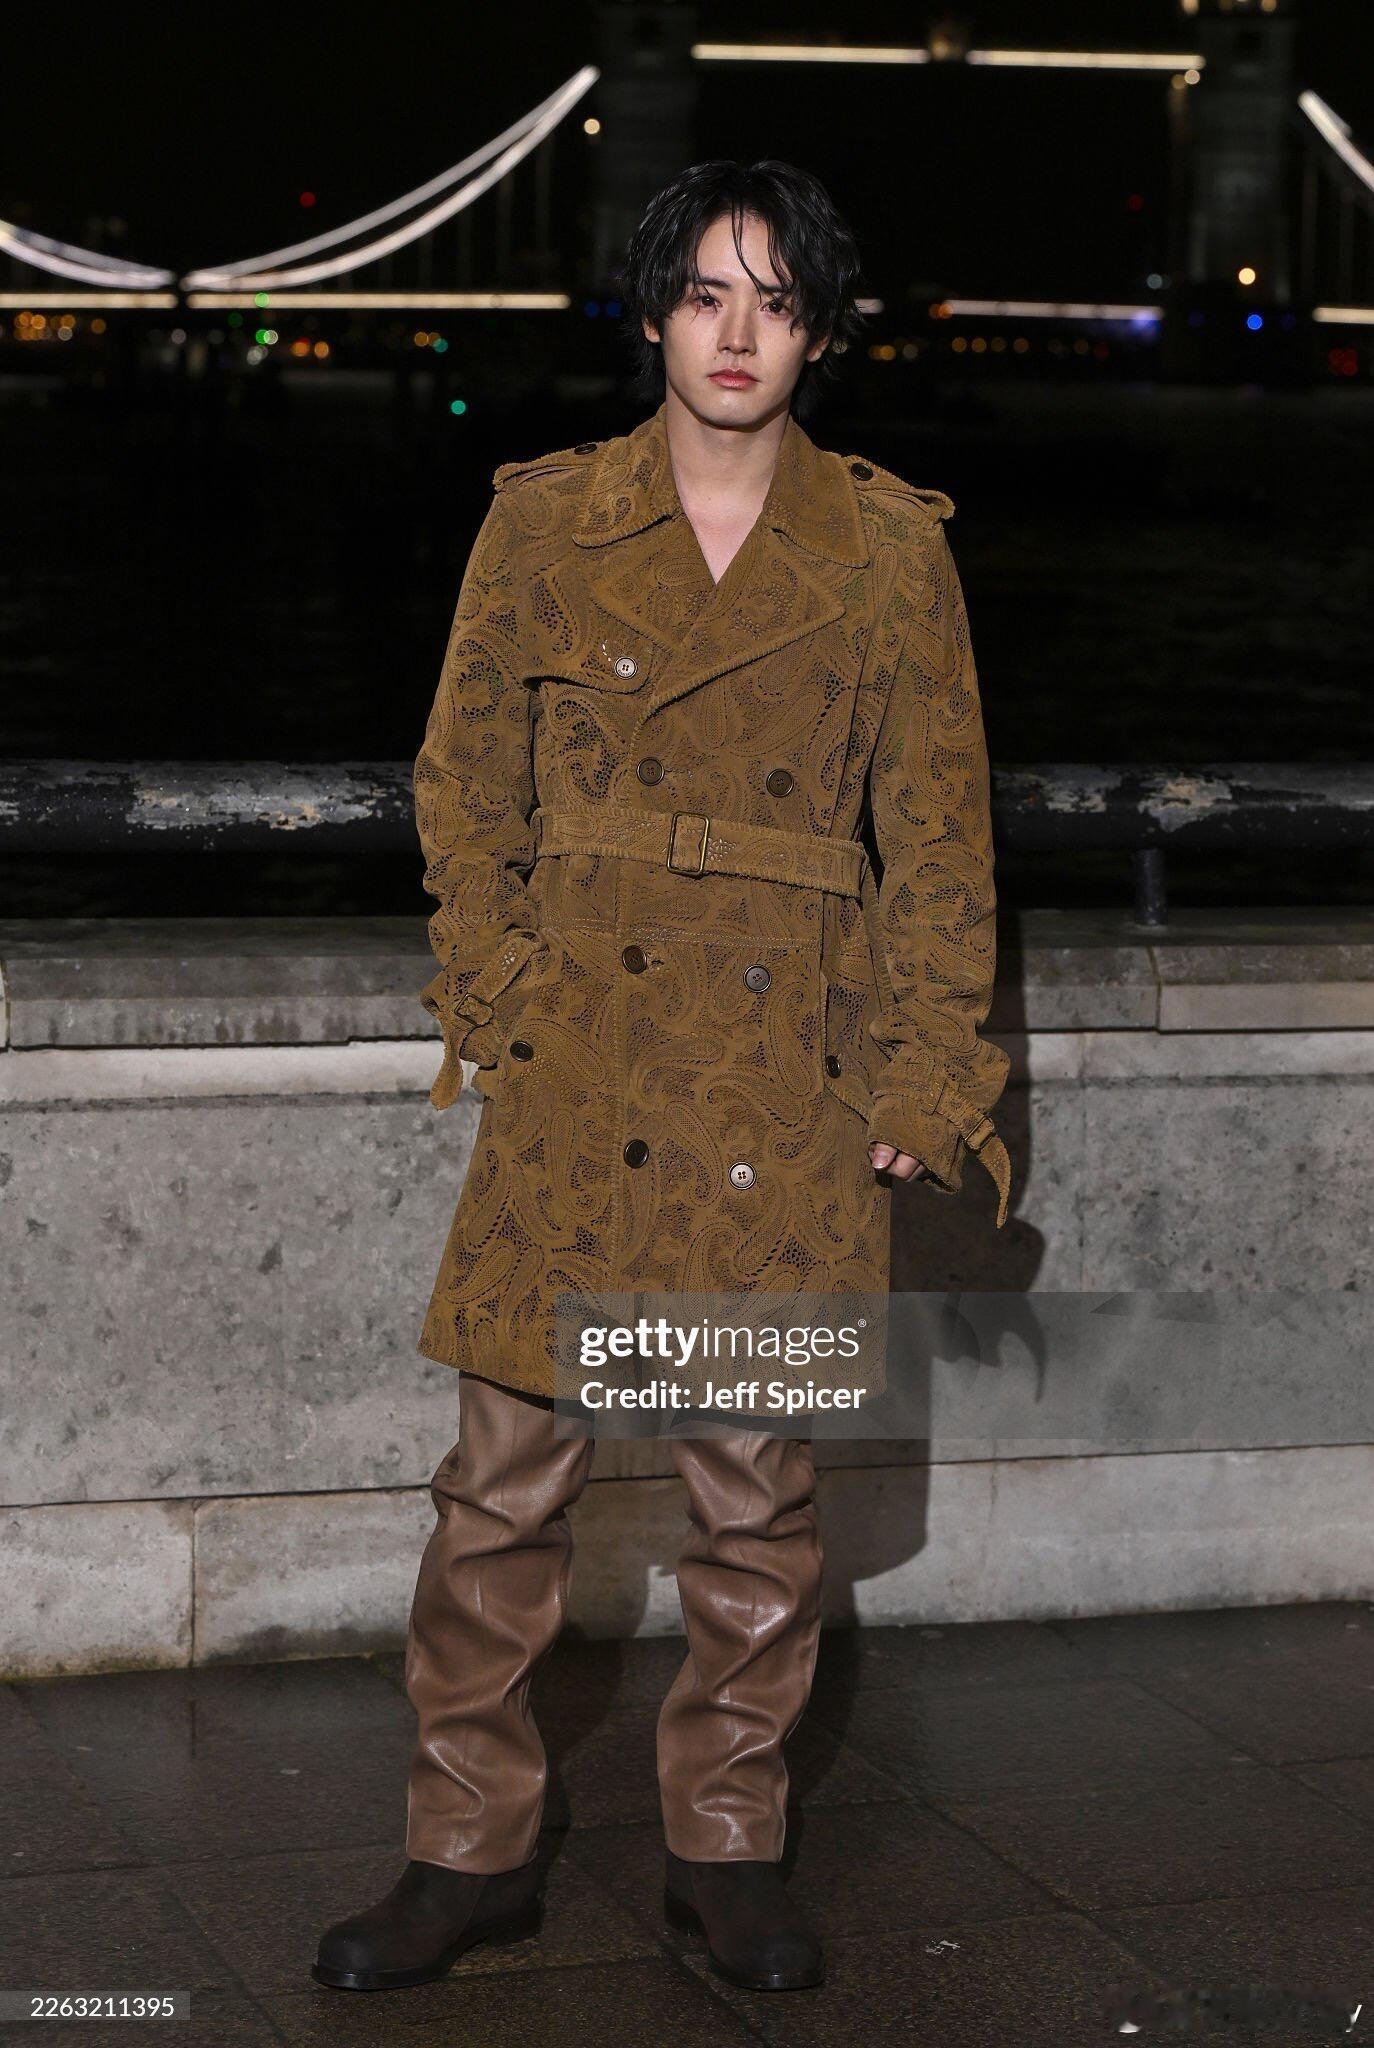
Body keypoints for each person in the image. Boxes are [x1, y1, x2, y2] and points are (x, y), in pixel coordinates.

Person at [312, 158, 1011, 1998]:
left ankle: (728, 1849)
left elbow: (941, 843)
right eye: (706, 293)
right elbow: (462, 780)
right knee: (498, 1496)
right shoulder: (546, 522)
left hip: (779, 1074)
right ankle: (463, 1855)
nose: (737, 334)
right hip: (582, 1063)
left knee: (753, 1501)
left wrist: (923, 1073)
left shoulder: (887, 551)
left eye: (775, 301)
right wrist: (507, 991)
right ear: (653, 314)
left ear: (817, 333)